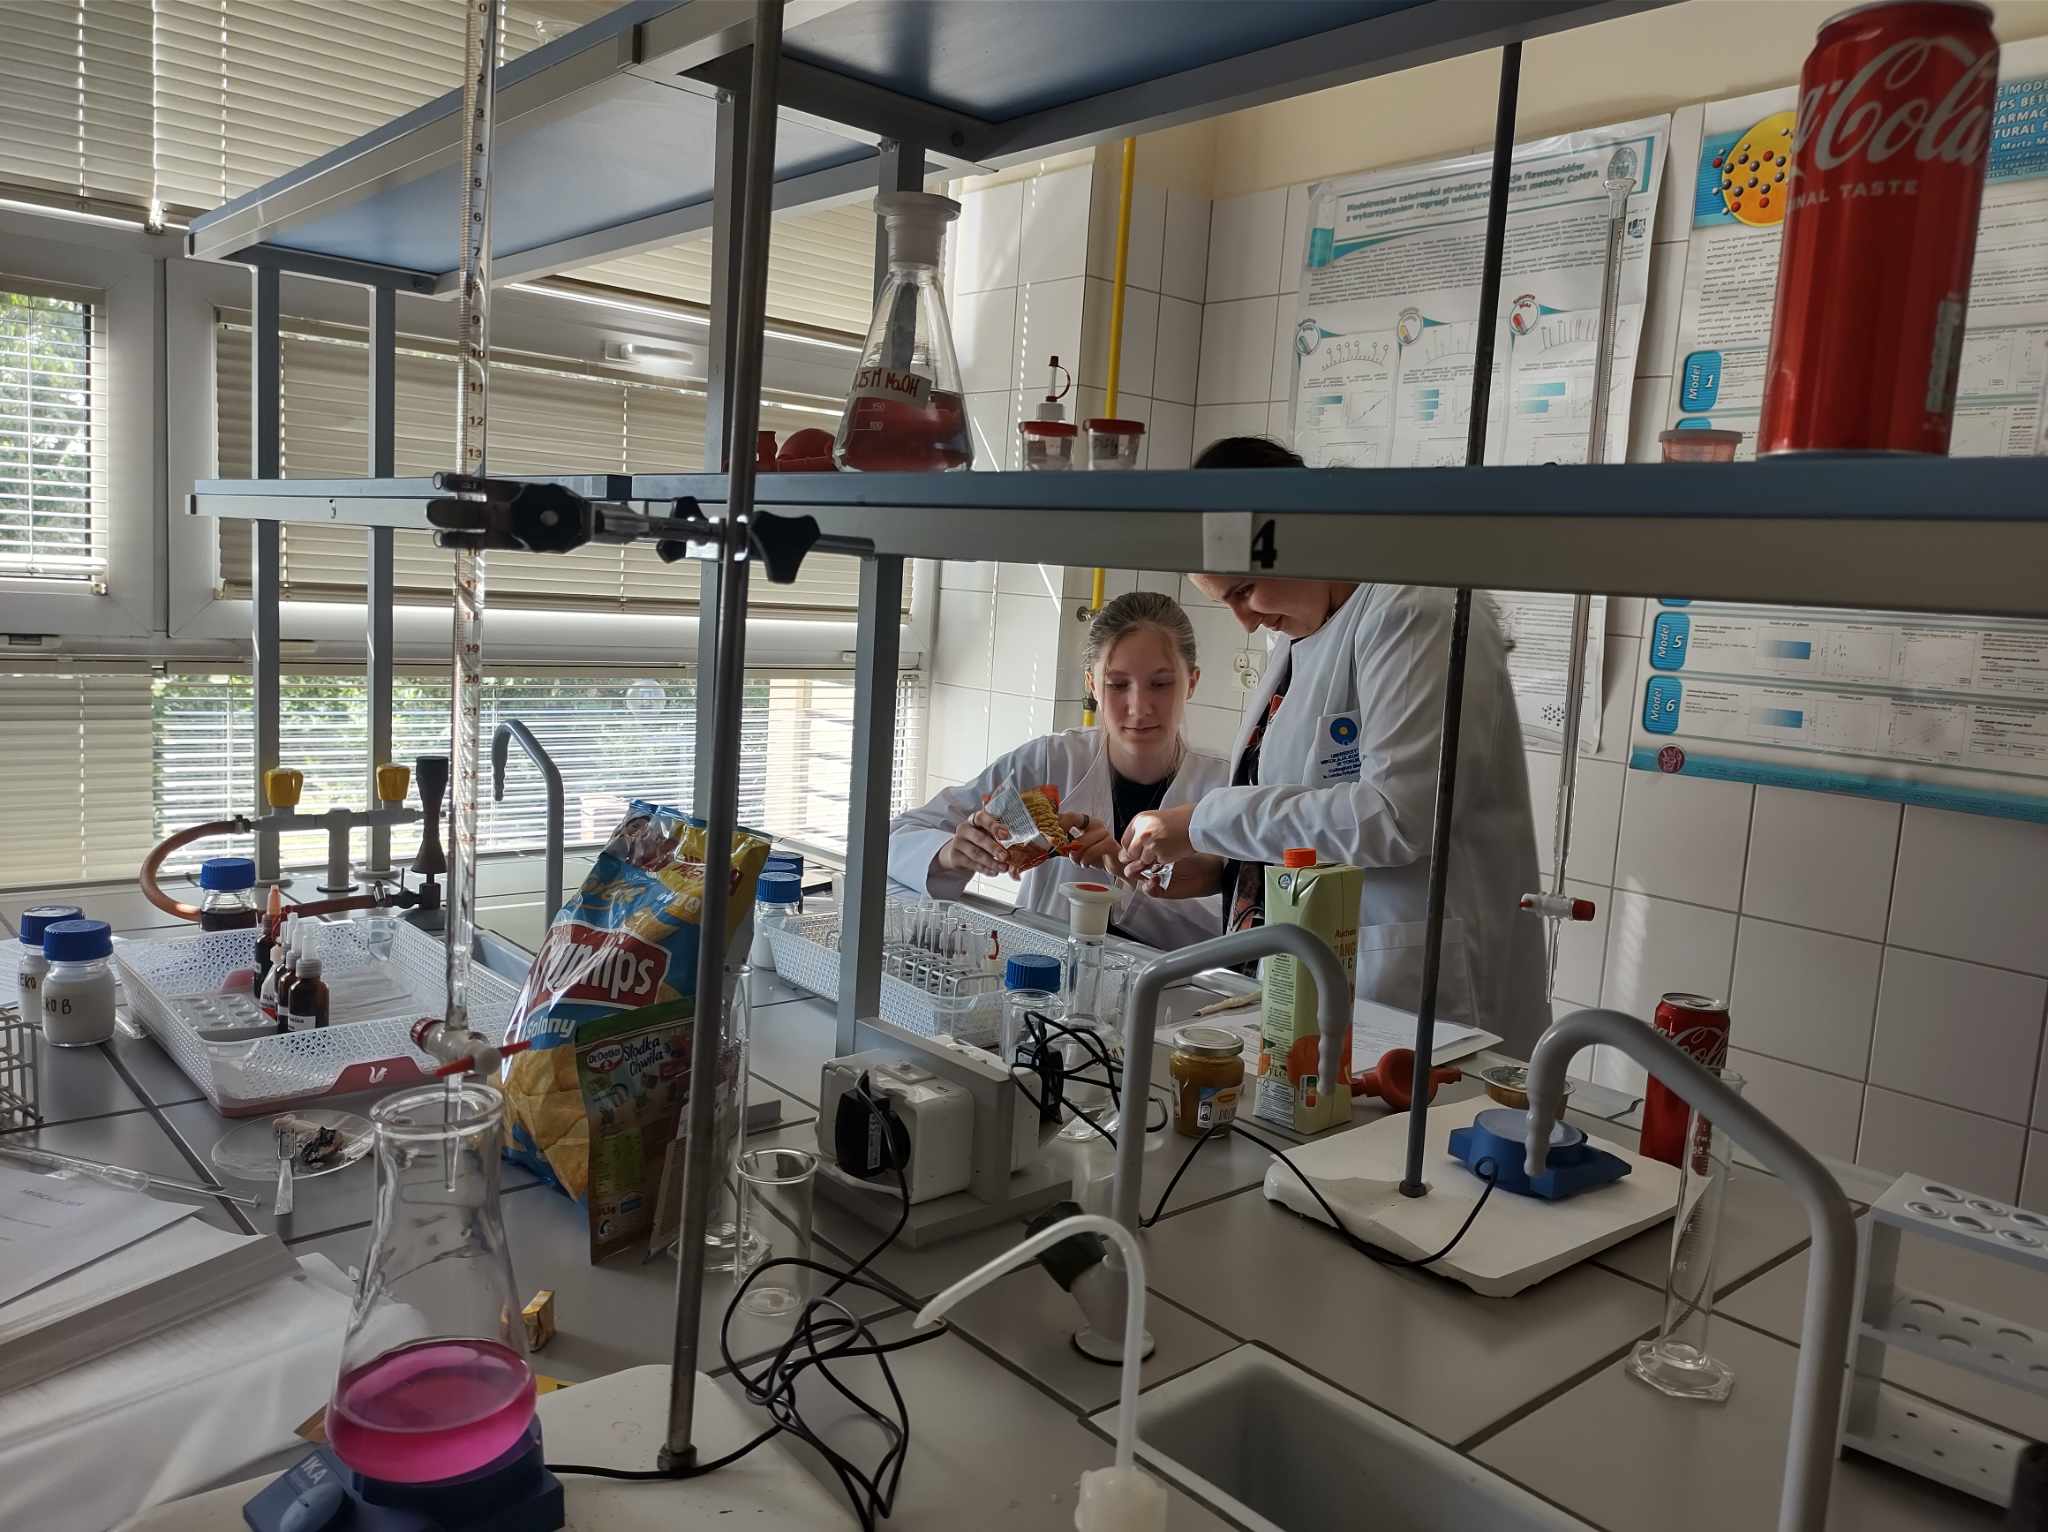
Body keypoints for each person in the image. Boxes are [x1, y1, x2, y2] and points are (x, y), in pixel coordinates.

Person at [1118, 437, 1548, 1054]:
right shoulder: (1303, 634)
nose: (1244, 620)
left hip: (1416, 984)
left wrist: (1204, 822)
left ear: (1304, 529)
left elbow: (1395, 818)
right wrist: (1222, 869)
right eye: (1225, 600)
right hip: (1321, 973)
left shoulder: (1416, 610)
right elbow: (1304, 811)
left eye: (1244, 590)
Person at [889, 590, 1228, 950]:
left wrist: (1122, 871)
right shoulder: (1048, 762)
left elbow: (1239, 929)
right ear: (1092, 685)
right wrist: (951, 853)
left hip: (1177, 983)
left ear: (1191, 682)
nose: (1139, 707)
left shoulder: (1226, 788)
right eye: (1116, 684)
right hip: (1039, 976)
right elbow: (895, 838)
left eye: (1160, 684)